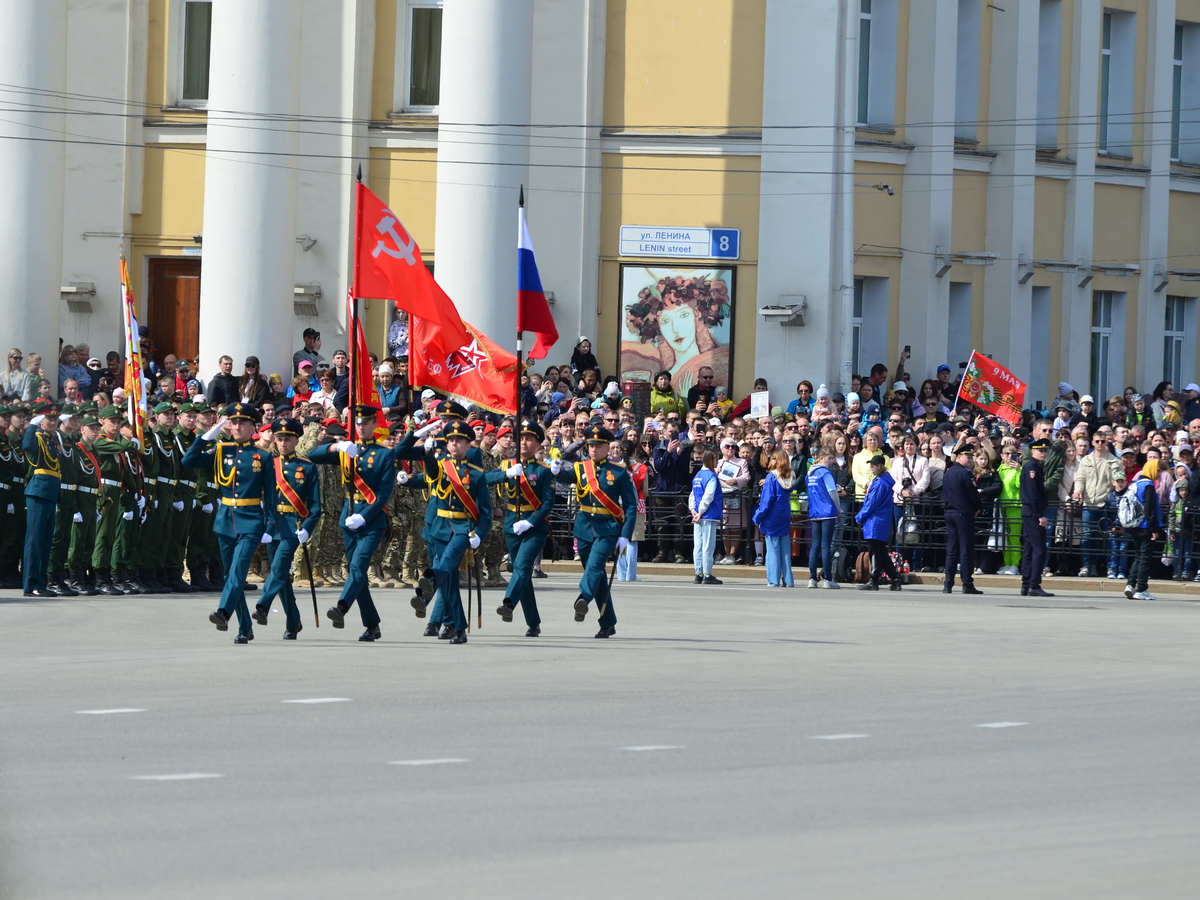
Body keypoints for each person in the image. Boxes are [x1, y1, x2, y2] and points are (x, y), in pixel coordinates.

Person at [310, 404, 435, 641]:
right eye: (357, 423)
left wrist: (364, 516)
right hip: (348, 515)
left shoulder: (385, 454)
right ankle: (372, 625)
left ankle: (341, 608)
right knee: (359, 577)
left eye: (365, 423)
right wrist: (337, 445)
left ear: (375, 425)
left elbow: (383, 492)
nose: (361, 427)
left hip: (372, 520)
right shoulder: (348, 450)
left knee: (356, 568)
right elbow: (313, 456)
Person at [182, 403, 273, 643]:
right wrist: (205, 437)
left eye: (243, 422)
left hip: (251, 521)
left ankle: (223, 611)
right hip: (225, 521)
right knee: (230, 576)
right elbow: (188, 461)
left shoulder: (263, 457)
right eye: (233, 422)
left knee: (236, 571)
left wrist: (270, 526)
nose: (237, 426)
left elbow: (271, 497)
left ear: (253, 427)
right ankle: (245, 627)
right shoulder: (221, 451)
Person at [409, 419, 493, 644]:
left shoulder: (476, 474)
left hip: (461, 529)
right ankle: (459, 628)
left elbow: (485, 513)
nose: (455, 444)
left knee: (445, 563)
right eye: (451, 440)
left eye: (460, 441)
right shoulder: (440, 466)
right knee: (449, 582)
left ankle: (429, 579)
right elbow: (431, 471)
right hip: (438, 527)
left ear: (468, 445)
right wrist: (426, 453)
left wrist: (479, 535)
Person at [552, 425, 636, 638]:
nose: (593, 449)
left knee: (596, 566)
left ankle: (583, 598)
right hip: (584, 527)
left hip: (607, 528)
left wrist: (625, 534)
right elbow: (566, 477)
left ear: (608, 448)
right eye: (591, 446)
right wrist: (556, 471)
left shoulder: (619, 473)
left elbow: (630, 506)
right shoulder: (581, 469)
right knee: (596, 575)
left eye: (598, 446)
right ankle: (608, 622)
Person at [251, 418, 322, 639]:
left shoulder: (307, 467)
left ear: (296, 440)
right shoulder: (268, 465)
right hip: (272, 524)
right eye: (279, 439)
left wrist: (308, 527)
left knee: (280, 567)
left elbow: (315, 505)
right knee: (280, 576)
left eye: (287, 439)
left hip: (294, 525)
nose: (282, 443)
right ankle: (293, 622)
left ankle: (263, 605)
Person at [487, 421, 556, 636]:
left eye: (529, 439)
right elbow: (483, 479)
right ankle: (533, 623)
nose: (524, 442)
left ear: (537, 444)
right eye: (521, 438)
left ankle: (508, 603)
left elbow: (548, 503)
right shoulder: (509, 465)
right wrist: (504, 475)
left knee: (523, 565)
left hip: (534, 526)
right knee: (522, 573)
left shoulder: (543, 471)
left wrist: (531, 521)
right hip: (512, 524)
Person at [22, 401, 62, 596]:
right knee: (35, 540)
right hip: (38, 491)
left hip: (51, 493)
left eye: (55, 418)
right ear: (41, 420)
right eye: (49, 418)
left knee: (46, 541)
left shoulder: (54, 440)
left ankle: (41, 583)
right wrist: (32, 425)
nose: (53, 422)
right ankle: (31, 585)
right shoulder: (37, 438)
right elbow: (26, 446)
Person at [856, 455, 901, 591]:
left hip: (875, 521)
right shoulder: (882, 481)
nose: (871, 467)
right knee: (881, 552)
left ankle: (874, 579)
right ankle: (895, 579)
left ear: (880, 466)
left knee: (874, 551)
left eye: (873, 465)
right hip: (880, 520)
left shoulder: (880, 482)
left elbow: (871, 503)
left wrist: (860, 516)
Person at [942, 445, 983, 594]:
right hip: (963, 514)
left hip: (950, 513)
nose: (971, 460)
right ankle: (967, 583)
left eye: (972, 457)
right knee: (966, 550)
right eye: (968, 457)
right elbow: (973, 495)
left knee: (952, 550)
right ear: (959, 457)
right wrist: (977, 507)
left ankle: (948, 583)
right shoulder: (965, 474)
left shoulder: (948, 473)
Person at [1019, 438, 1054, 597]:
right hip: (1033, 512)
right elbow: (1033, 495)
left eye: (1045, 450)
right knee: (1039, 549)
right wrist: (1040, 515)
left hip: (1029, 512)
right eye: (1040, 450)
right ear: (1033, 451)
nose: (1043, 453)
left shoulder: (1034, 467)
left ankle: (1027, 584)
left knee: (1029, 548)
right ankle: (1033, 584)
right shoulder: (1031, 468)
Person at [1123, 467, 1163, 601]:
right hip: (1146, 527)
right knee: (1145, 558)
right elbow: (1150, 509)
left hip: (1135, 526)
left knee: (1138, 556)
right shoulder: (1149, 486)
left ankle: (1130, 584)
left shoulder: (1135, 484)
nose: (1159, 474)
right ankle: (1141, 589)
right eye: (1158, 471)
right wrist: (1154, 529)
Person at [805, 447, 842, 588]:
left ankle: (812, 578)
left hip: (815, 512)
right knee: (825, 546)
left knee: (815, 546)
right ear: (821, 458)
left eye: (833, 458)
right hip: (827, 512)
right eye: (829, 458)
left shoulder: (810, 474)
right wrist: (838, 508)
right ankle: (828, 579)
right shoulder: (825, 473)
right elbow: (833, 492)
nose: (832, 461)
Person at [688, 449, 723, 585]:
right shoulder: (711, 476)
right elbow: (708, 496)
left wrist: (693, 510)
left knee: (698, 544)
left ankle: (698, 572)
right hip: (708, 514)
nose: (716, 462)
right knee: (708, 545)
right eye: (715, 460)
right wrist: (701, 511)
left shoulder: (698, 475)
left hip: (698, 514)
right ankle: (707, 573)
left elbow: (693, 494)